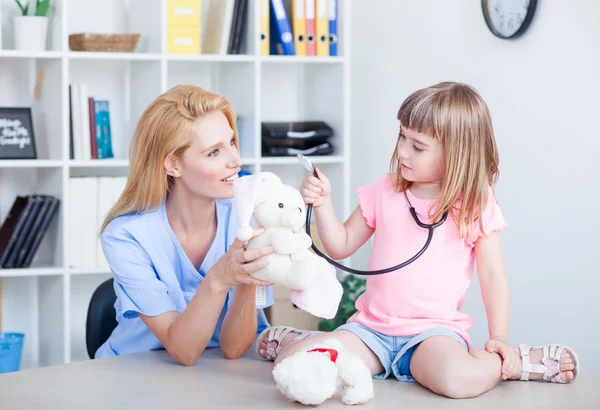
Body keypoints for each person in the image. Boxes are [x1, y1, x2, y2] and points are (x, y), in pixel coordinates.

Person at [256, 82, 579, 398]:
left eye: (417, 146)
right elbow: (340, 246)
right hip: (371, 332)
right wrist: (323, 204)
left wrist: (499, 337)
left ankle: (509, 362)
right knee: (293, 367)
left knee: (457, 381)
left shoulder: (475, 205)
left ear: (457, 153)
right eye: (402, 137)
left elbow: (492, 276)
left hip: (432, 335)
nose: (402, 151)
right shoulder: (385, 191)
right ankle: (297, 341)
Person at [95, 85, 275, 365]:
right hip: (133, 373)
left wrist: (246, 279)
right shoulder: (126, 237)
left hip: (216, 373)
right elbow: (184, 351)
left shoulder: (248, 217)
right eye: (214, 152)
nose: (236, 161)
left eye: (231, 143)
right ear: (173, 165)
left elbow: (235, 348)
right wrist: (219, 277)